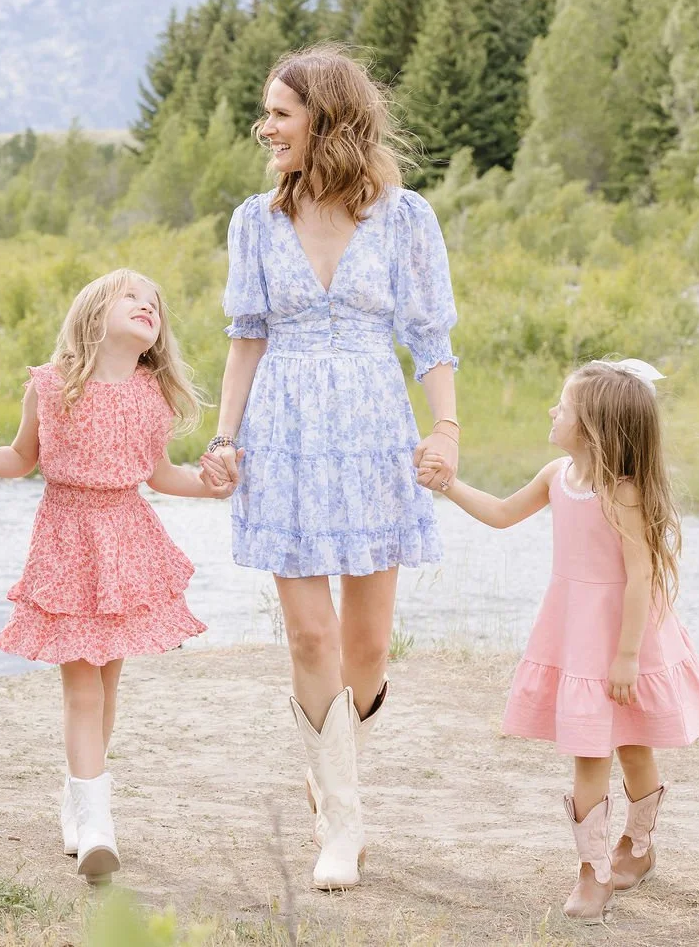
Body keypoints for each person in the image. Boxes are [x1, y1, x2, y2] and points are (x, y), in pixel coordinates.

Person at [203, 44, 458, 891]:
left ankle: (331, 766)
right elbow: (247, 336)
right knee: (311, 633)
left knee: (368, 642)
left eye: (280, 112)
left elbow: (430, 337)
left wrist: (447, 428)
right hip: (284, 433)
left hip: (376, 434)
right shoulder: (255, 220)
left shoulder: (405, 217)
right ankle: (342, 822)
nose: (264, 126)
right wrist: (224, 437)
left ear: (328, 119)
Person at [429, 359, 699, 924]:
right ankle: (595, 867)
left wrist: (627, 656)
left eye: (562, 407)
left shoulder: (623, 494)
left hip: (624, 635)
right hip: (576, 632)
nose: (551, 412)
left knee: (632, 746)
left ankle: (632, 847)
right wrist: (448, 484)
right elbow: (502, 514)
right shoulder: (555, 476)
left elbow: (640, 577)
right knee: (589, 748)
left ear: (592, 429)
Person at [0, 268, 230, 884]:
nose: (147, 306)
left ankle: (79, 799)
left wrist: (210, 486)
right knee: (83, 688)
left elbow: (161, 474)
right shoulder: (52, 384)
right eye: (132, 297)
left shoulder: (151, 395)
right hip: (68, 542)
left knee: (108, 685)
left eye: (154, 304)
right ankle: (97, 824)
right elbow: (21, 458)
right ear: (94, 313)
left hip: (125, 542)